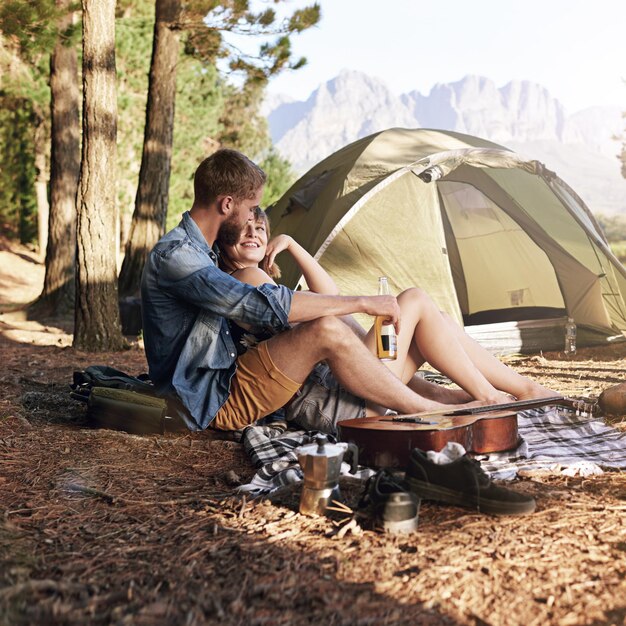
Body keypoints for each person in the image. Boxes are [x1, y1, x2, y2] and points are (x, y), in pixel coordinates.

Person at [141, 148, 554, 434]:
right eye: (251, 211)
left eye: (259, 221)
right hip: (206, 399)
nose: (255, 221)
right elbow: (259, 304)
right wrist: (362, 302)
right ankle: (440, 408)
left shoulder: (205, 253)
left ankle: (493, 395)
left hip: (236, 383)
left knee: (411, 320)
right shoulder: (180, 256)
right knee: (351, 325)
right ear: (228, 204)